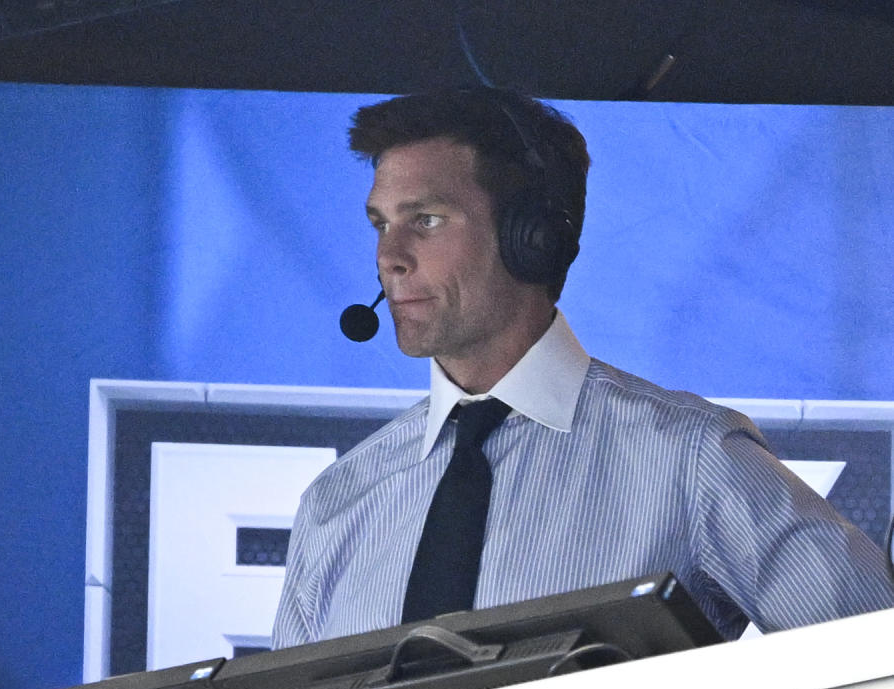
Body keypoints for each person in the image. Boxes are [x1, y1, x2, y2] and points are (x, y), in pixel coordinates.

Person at [271, 87, 894, 648]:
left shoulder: (690, 459)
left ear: (533, 236)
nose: (389, 258)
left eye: (425, 221)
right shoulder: (339, 502)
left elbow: (875, 661)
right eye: (381, 224)